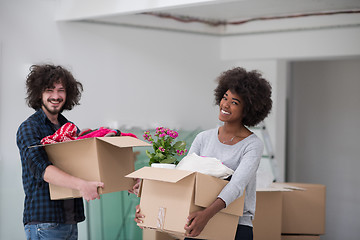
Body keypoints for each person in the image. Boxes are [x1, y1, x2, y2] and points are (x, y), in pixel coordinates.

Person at [134, 67, 272, 240]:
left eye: (235, 102)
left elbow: (236, 186)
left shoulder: (252, 145)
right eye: (225, 98)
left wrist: (206, 215)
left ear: (248, 110)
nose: (225, 105)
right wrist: (149, 203)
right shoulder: (203, 138)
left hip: (235, 225)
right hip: (197, 220)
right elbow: (184, 178)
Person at [16, 64, 105, 240]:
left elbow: (82, 167)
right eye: (50, 90)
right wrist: (81, 185)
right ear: (38, 93)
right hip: (44, 222)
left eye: (61, 90)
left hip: (70, 221)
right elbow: (42, 169)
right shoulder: (29, 128)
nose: (56, 96)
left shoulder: (69, 128)